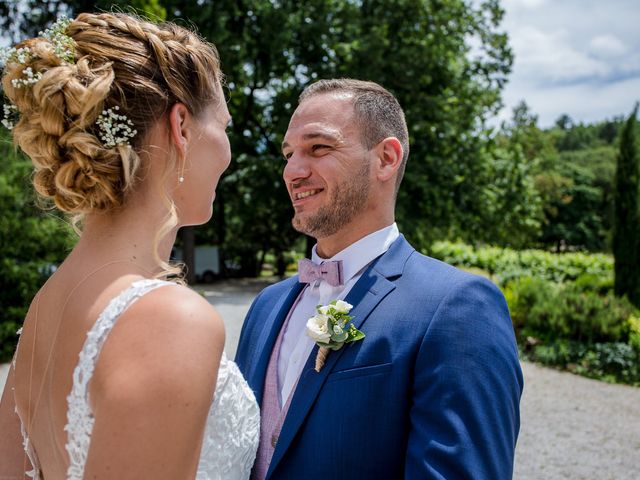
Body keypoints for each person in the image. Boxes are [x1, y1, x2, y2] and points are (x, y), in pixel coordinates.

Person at [0, 12, 259, 480]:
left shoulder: (42, 314)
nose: (228, 151)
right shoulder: (168, 320)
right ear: (181, 126)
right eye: (224, 125)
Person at [235, 78, 524, 479]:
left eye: (318, 148)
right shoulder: (266, 306)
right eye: (288, 154)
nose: (293, 172)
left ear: (386, 159)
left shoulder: (457, 308)